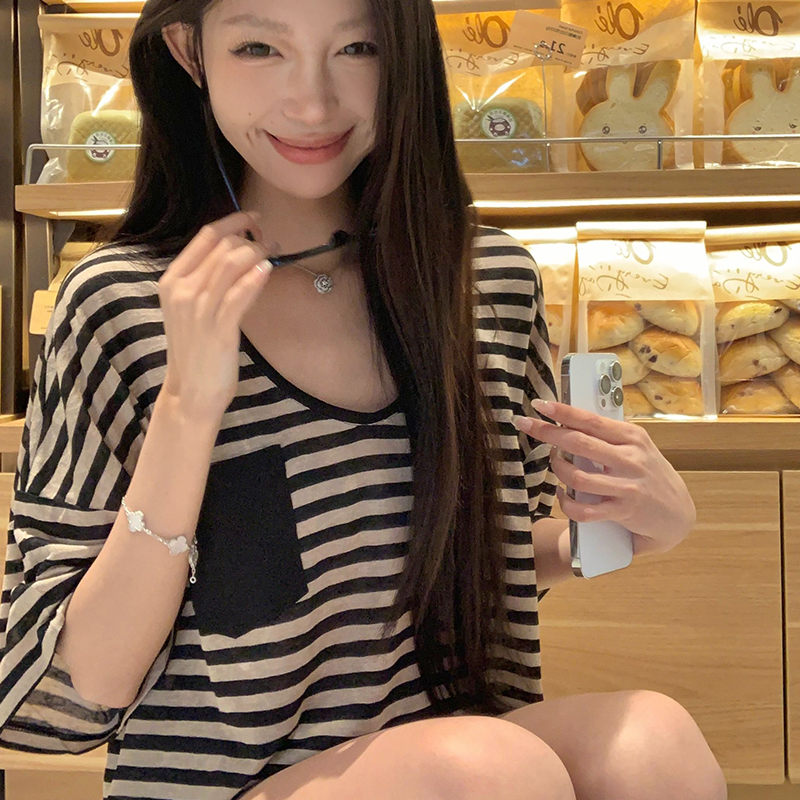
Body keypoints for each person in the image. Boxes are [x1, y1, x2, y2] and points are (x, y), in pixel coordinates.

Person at [0, 0, 727, 798]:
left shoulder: (488, 282)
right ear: (189, 52)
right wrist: (187, 408)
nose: (312, 102)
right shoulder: (124, 303)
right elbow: (74, 690)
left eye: (358, 48)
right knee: (484, 770)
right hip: (235, 780)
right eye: (258, 48)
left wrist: (625, 534)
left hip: (461, 749)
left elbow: (491, 558)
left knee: (651, 743)